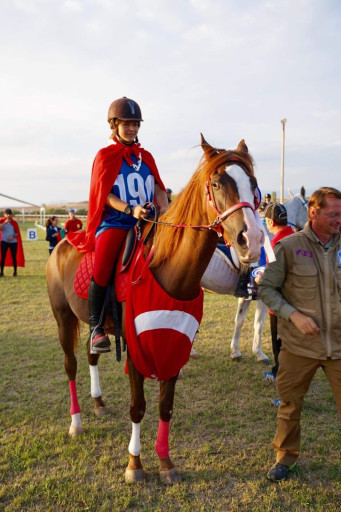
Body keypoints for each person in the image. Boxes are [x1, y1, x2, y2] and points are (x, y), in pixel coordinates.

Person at [67, 96, 168, 353]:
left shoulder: (147, 157)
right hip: (115, 222)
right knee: (102, 265)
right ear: (114, 125)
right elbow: (105, 195)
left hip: (147, 222)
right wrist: (129, 208)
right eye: (126, 123)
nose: (132, 128)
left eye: (135, 123)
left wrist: (164, 209)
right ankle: (96, 328)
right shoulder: (105, 156)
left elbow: (158, 187)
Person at [258, 186, 341, 482]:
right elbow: (267, 288)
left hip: (339, 346)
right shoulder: (289, 247)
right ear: (314, 213)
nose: (339, 220)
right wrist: (292, 314)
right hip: (298, 347)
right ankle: (286, 457)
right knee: (290, 406)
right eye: (333, 214)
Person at [260, 204, 294, 398]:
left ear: (271, 222)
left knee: (280, 348)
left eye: (266, 221)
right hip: (294, 303)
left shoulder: (277, 243)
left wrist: (259, 279)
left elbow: (272, 275)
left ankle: (284, 391)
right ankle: (276, 372)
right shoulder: (296, 236)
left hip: (280, 305)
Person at [0, 208, 25, 277]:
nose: (8, 215)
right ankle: (1, 272)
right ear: (4, 214)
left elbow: (17, 233)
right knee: (3, 257)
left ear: (11, 215)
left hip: (13, 243)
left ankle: (15, 272)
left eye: (10, 214)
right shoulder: (1, 221)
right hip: (4, 242)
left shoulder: (14, 223)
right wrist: (5, 222)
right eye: (7, 214)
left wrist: (13, 236)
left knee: (14, 257)